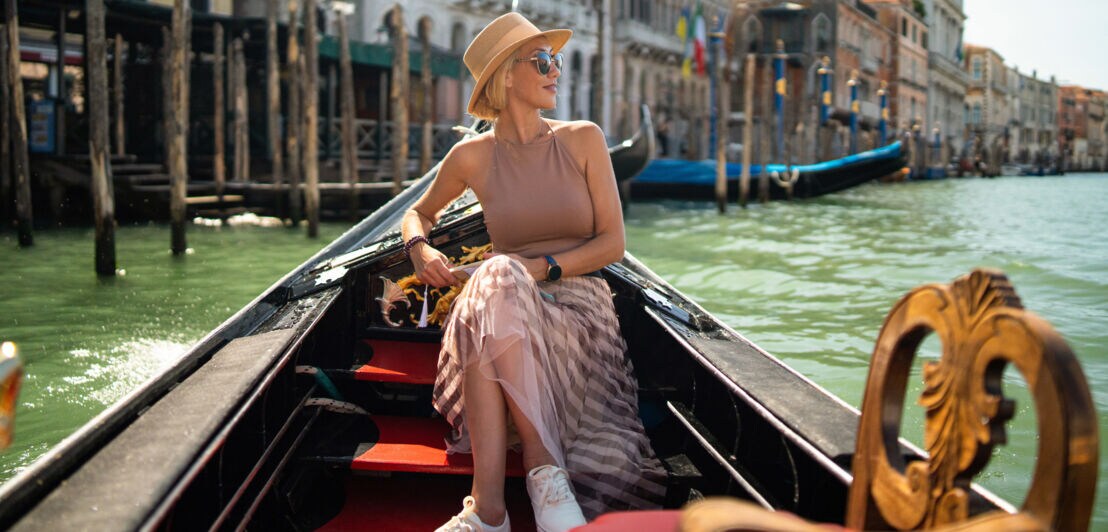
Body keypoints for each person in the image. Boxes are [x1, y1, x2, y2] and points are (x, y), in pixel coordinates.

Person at [400, 12, 666, 532]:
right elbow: (419, 213)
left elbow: (612, 244)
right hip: (503, 304)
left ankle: (502, 502)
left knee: (498, 276)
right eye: (543, 61)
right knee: (498, 279)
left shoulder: (583, 139)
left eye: (556, 60)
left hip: (578, 307)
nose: (556, 71)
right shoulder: (471, 156)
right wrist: (418, 250)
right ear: (505, 75)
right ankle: (520, 495)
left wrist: (538, 269)